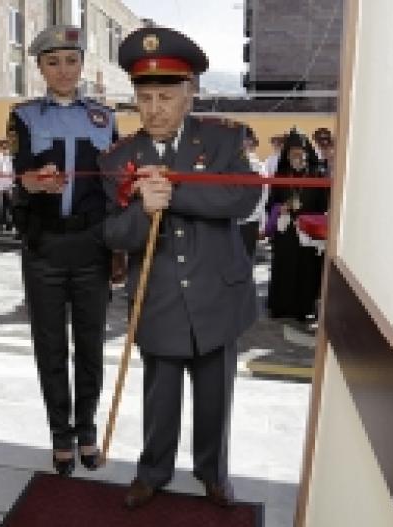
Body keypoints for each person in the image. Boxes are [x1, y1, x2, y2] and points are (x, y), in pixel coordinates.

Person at [99, 26, 260, 510]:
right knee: (160, 400)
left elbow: (244, 196)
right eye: (144, 98)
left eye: (166, 96)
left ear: (190, 93)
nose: (154, 109)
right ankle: (153, 471)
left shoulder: (223, 139)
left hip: (217, 297)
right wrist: (142, 212)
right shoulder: (119, 158)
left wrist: (177, 192)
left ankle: (212, 472)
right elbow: (113, 235)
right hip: (160, 299)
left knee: (215, 400)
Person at [7, 24, 118, 476]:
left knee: (90, 345)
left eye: (70, 60)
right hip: (45, 245)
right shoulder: (26, 116)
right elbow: (20, 175)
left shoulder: (104, 117)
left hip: (91, 245)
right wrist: (31, 183)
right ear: (40, 68)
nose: (63, 70)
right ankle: (60, 434)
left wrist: (117, 249)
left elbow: (114, 187)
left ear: (82, 65)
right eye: (53, 62)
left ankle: (87, 429)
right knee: (50, 346)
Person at [266, 128, 330, 323]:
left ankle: (302, 308)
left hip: (307, 232)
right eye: (292, 151)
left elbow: (324, 205)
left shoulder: (317, 174)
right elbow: (271, 202)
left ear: (306, 152)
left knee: (306, 269)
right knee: (283, 268)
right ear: (287, 153)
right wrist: (280, 208)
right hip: (286, 233)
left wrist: (307, 217)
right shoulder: (281, 174)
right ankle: (280, 307)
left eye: (299, 151)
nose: (296, 155)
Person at [237, 126, 269, 260]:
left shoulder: (257, 166)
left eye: (242, 139)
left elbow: (263, 195)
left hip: (248, 221)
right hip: (228, 221)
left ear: (250, 142)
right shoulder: (227, 162)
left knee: (245, 260)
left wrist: (250, 215)